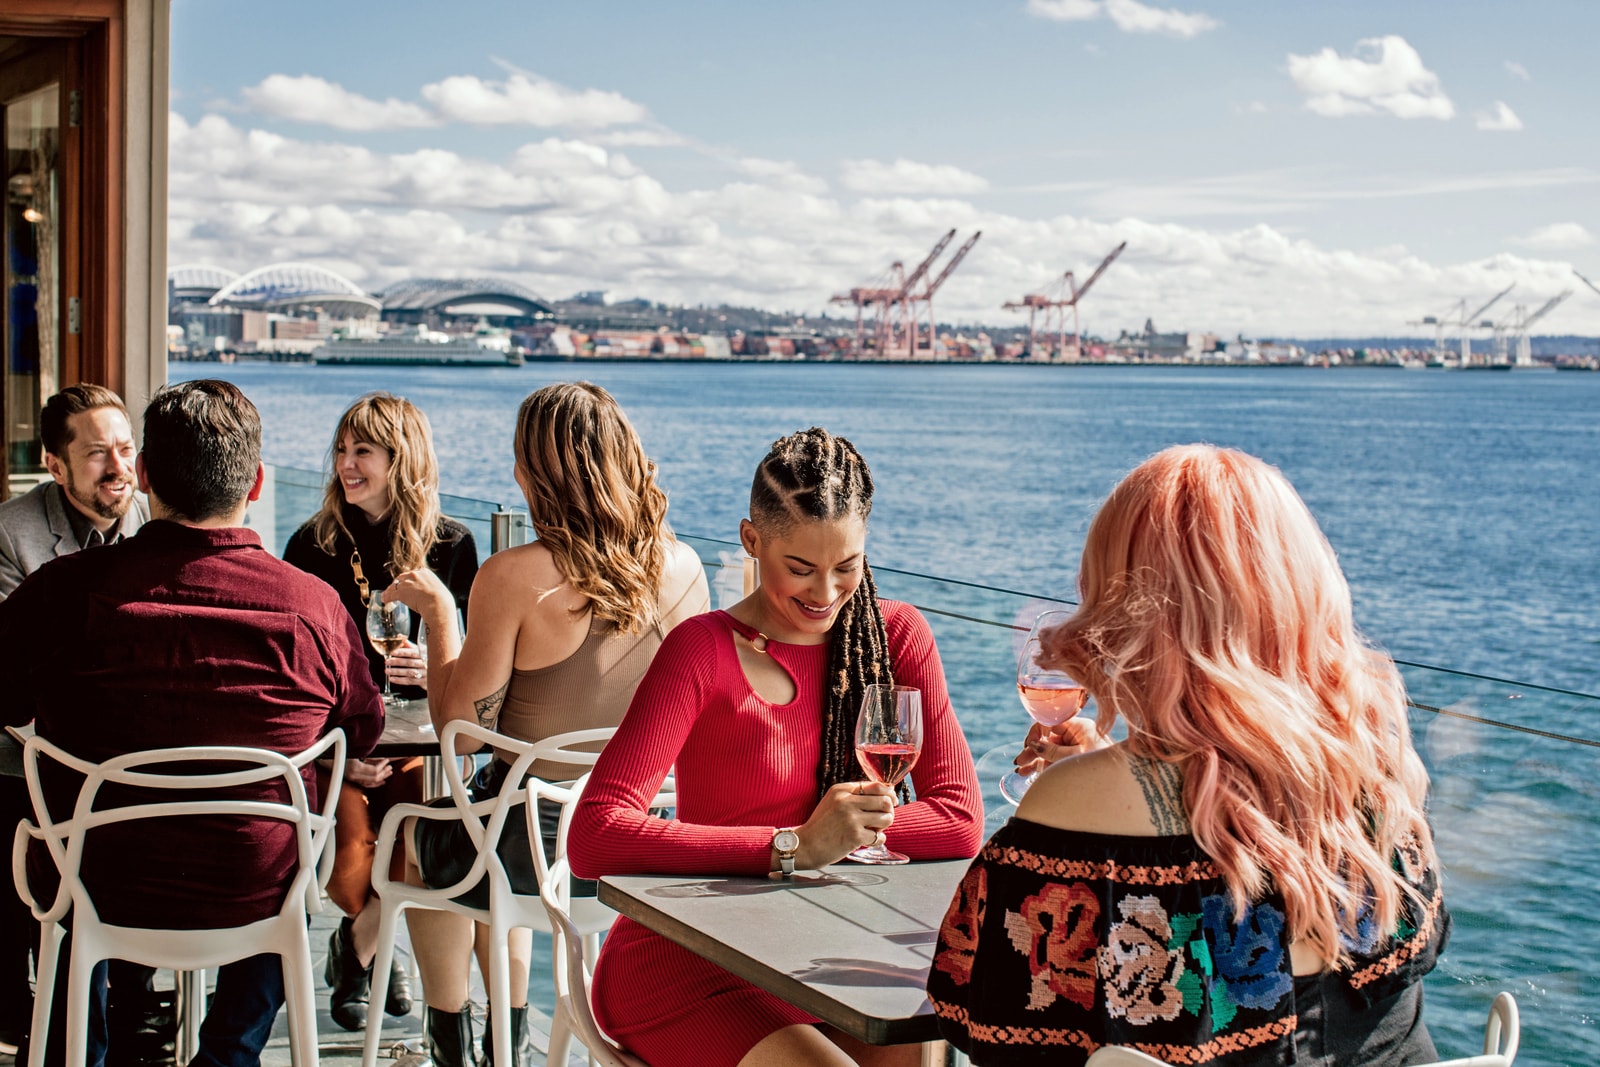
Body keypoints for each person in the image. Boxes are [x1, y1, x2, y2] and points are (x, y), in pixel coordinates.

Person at [926, 445, 1450, 1066]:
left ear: (1127, 609)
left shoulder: (1070, 805)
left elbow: (985, 1018)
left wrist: (1094, 782)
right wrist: (1110, 768)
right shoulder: (1368, 778)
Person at [567, 426, 985, 1067]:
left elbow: (959, 823)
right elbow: (594, 836)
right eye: (800, 569)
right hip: (692, 961)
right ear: (751, 541)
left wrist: (849, 834)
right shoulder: (700, 650)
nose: (824, 594)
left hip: (829, 951)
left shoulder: (897, 637)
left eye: (847, 566)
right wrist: (794, 845)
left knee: (915, 1043)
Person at [0, 379, 385, 1067]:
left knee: (63, 862)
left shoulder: (61, 593)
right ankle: (227, 1056)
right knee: (282, 864)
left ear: (144, 475)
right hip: (251, 886)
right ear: (259, 482)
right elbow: (363, 726)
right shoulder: (315, 606)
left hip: (99, 883)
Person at [384, 381, 710, 1067]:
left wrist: (442, 615)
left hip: (534, 852)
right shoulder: (686, 569)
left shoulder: (513, 577)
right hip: (643, 843)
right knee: (492, 819)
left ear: (537, 472)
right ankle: (503, 1033)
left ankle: (454, 1042)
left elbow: (463, 735)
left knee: (412, 835)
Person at [281, 392, 478, 1032]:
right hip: (338, 735)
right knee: (355, 855)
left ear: (404, 459)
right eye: (341, 449)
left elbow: (478, 658)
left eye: (363, 450)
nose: (346, 464)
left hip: (421, 732)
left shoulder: (451, 546)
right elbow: (294, 668)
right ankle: (370, 942)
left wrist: (437, 660)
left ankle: (359, 949)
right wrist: (341, 745)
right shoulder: (311, 545)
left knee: (416, 841)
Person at [0, 384, 150, 1054]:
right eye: (96, 454)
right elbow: (15, 672)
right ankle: (24, 1007)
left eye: (124, 447)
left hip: (131, 759)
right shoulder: (12, 532)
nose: (117, 465)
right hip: (30, 757)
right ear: (55, 466)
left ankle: (128, 999)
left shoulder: (157, 524)